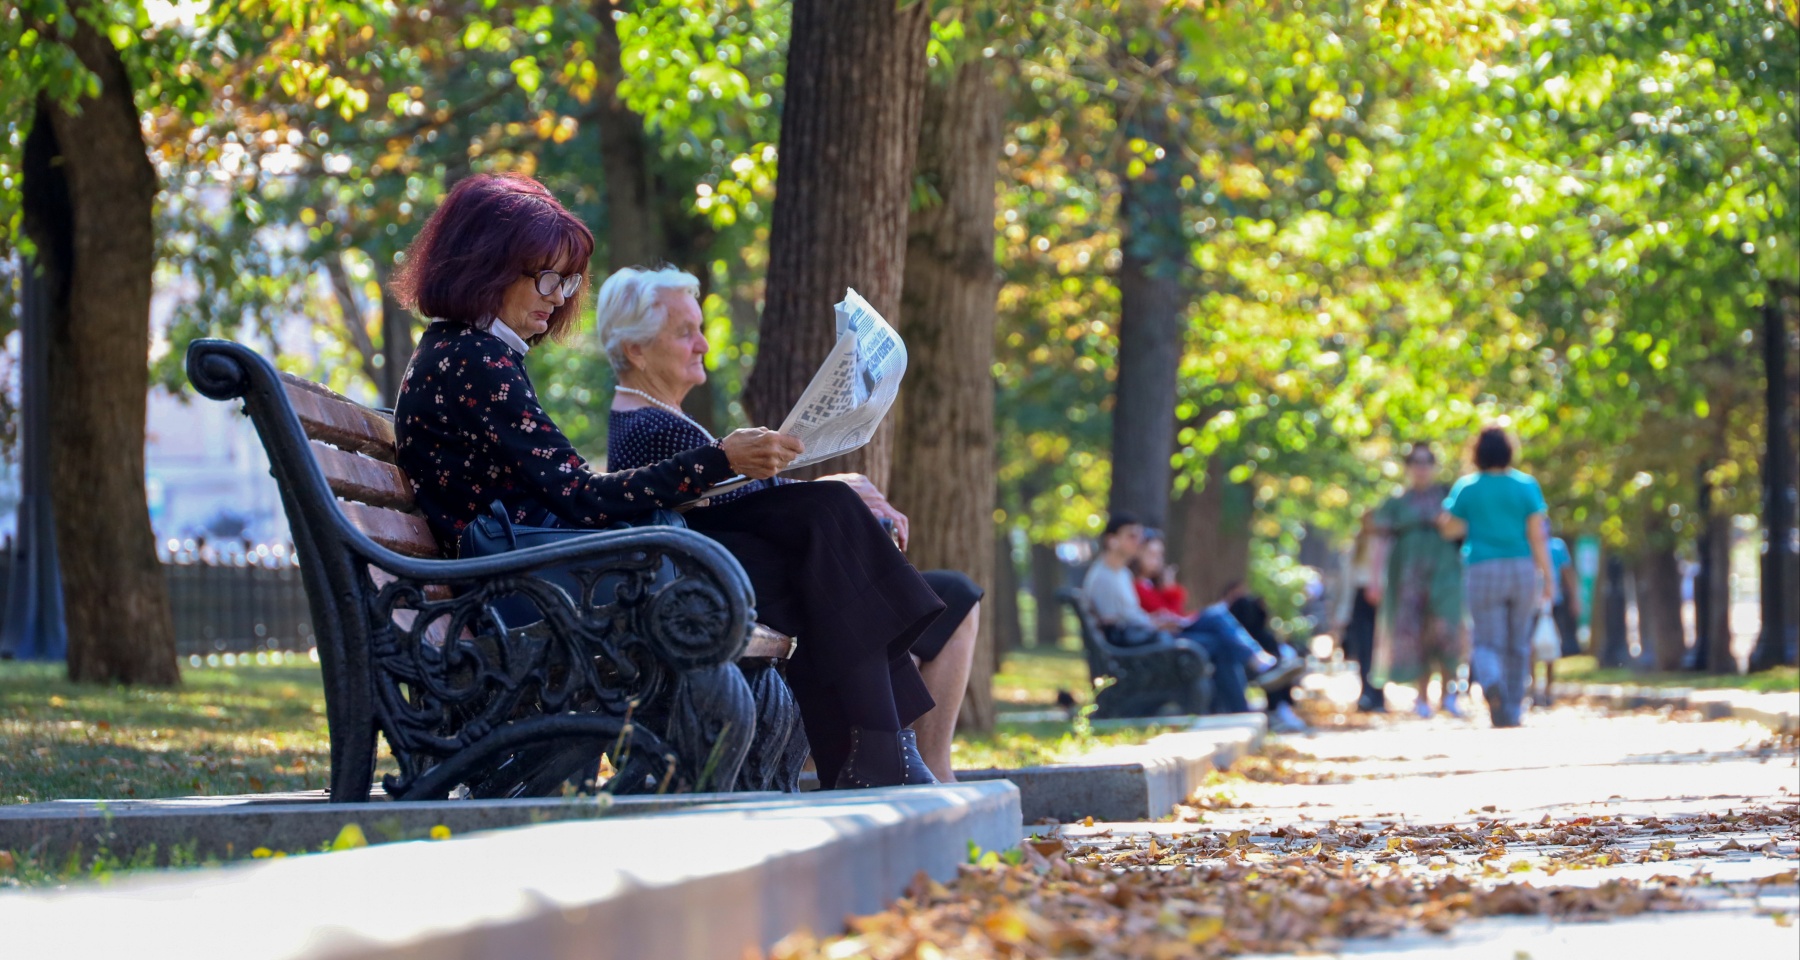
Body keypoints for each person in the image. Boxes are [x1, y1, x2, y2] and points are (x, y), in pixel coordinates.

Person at [390, 174, 948, 789]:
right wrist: (720, 462)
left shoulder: (470, 354)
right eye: (546, 277)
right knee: (817, 532)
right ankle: (876, 751)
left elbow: (567, 494)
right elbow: (581, 496)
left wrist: (723, 465)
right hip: (536, 580)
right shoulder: (472, 360)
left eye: (567, 280)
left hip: (555, 564)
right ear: (487, 266)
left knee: (821, 521)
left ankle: (875, 751)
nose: (558, 296)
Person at [596, 265, 981, 784]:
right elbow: (742, 502)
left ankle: (888, 751)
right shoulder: (646, 425)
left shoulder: (659, 417)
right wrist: (831, 488)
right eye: (685, 333)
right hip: (716, 587)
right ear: (637, 351)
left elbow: (737, 496)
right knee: (831, 519)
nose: (703, 344)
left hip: (738, 574)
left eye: (700, 328)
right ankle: (883, 750)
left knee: (836, 526)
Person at [1082, 513, 1287, 715]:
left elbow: (1129, 618)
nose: (1138, 541)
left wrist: (1156, 620)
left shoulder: (1121, 573)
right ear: (1112, 540)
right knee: (1216, 629)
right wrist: (1155, 623)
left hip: (1147, 638)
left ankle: (1243, 702)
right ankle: (1253, 675)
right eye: (1131, 536)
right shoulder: (1104, 577)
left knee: (1217, 630)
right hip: (1140, 648)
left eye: (1138, 535)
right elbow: (1117, 626)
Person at [1438, 427, 1554, 729]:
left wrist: (1472, 523)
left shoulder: (1467, 487)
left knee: (1487, 640)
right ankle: (1513, 708)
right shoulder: (1526, 486)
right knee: (1518, 642)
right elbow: (1537, 537)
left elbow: (1449, 528)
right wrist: (1548, 577)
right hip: (1521, 567)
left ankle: (1490, 681)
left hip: (1481, 568)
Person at [1370, 444, 1467, 719]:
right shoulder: (1396, 502)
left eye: (1426, 462)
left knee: (1447, 630)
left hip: (1445, 574)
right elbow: (1378, 540)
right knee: (1417, 634)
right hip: (1408, 577)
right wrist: (1375, 581)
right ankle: (1422, 697)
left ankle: (1450, 695)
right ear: (1408, 467)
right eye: (1416, 462)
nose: (1421, 468)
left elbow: (1464, 529)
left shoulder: (1449, 497)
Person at [1221, 582, 1310, 734]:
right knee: (1267, 642)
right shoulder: (1220, 613)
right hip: (1236, 657)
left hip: (1250, 650)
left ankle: (1273, 673)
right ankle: (1270, 670)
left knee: (1267, 639)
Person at [1334, 512, 1385, 712]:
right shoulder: (1355, 548)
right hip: (1359, 600)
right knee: (1362, 649)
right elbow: (1347, 583)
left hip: (1381, 601)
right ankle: (1366, 693)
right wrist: (1342, 614)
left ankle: (1379, 696)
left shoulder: (1387, 545)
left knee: (1379, 651)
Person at [1533, 517, 1581, 706]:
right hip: (1531, 603)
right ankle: (1533, 689)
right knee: (1530, 646)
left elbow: (1567, 573)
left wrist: (1575, 599)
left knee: (1552, 647)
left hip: (1555, 602)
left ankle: (1548, 690)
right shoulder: (1527, 546)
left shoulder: (1557, 547)